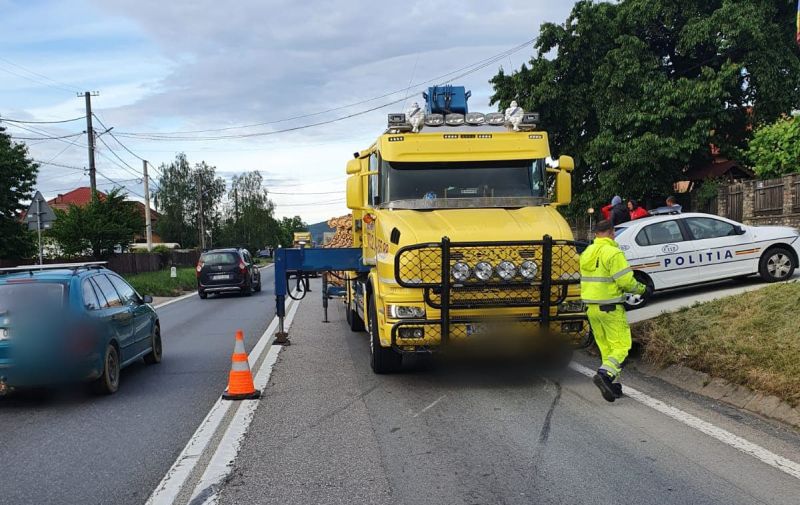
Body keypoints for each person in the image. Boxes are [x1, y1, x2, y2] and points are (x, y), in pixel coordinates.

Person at [580, 219, 651, 402]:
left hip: (592, 309)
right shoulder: (613, 252)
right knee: (621, 346)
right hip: (610, 308)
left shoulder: (587, 252)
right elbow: (625, 281)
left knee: (607, 348)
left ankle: (613, 386)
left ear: (596, 233)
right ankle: (605, 375)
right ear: (612, 233)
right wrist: (643, 290)